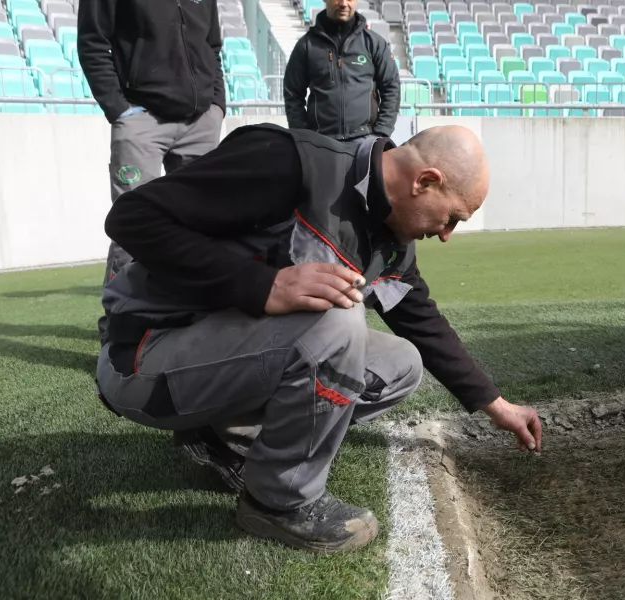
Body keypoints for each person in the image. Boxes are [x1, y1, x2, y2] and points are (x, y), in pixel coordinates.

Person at [94, 123, 543, 555]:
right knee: (336, 325)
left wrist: (497, 406)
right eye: (452, 218)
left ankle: (224, 437)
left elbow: (421, 322)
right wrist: (261, 284)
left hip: (213, 364)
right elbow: (133, 217)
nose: (446, 235)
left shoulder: (392, 242)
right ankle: (278, 501)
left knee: (401, 364)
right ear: (425, 181)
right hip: (144, 359)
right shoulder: (290, 163)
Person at [77, 0, 227, 343]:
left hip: (201, 122)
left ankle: (192, 327)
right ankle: (120, 333)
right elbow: (93, 41)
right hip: (142, 120)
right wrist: (118, 108)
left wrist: (216, 104)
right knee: (133, 228)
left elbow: (212, 46)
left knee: (202, 228)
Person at [282, 0, 400, 141]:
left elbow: (391, 87)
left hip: (365, 141)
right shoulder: (306, 46)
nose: (344, 4)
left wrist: (381, 132)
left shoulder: (374, 43)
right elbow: (292, 92)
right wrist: (302, 134)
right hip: (321, 142)